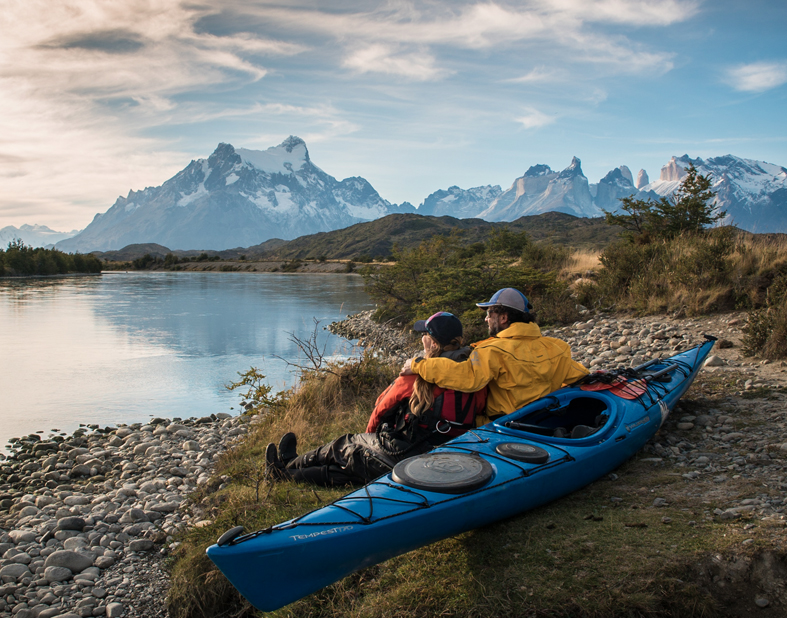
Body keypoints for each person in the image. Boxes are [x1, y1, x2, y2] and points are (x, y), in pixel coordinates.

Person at [266, 312, 487, 486]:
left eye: (424, 335)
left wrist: (367, 440)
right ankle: (286, 469)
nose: (421, 338)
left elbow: (379, 411)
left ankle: (286, 467)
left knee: (345, 446)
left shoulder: (413, 379)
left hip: (408, 456)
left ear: (433, 344)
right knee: (354, 468)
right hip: (451, 458)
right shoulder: (474, 378)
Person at [401, 288, 588, 426]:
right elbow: (579, 375)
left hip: (509, 424)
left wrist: (418, 365)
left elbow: (466, 377)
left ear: (504, 318)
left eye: (489, 314)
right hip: (546, 417)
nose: (486, 319)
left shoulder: (493, 350)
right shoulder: (557, 347)